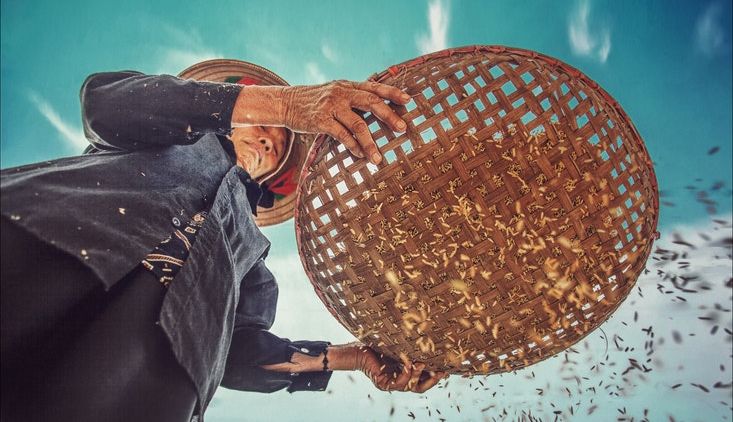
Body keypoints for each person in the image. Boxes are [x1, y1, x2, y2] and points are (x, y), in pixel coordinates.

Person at [0, 59, 446, 422]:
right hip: (31, 246)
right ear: (228, 120)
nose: (271, 139)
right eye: (265, 125)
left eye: (281, 145)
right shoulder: (156, 134)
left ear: (277, 179)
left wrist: (356, 358)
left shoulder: (252, 258)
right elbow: (102, 102)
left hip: (143, 378)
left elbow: (239, 356)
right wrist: (289, 106)